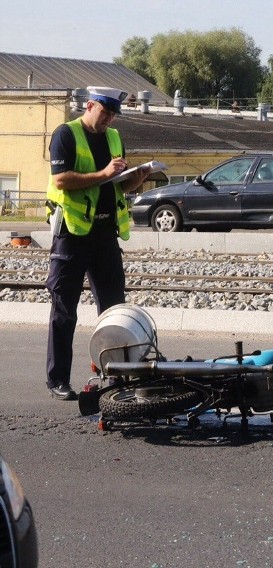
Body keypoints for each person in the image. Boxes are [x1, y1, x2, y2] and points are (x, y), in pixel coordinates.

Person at [44, 86, 149, 400]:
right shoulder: (66, 134)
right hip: (73, 235)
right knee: (64, 310)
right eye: (105, 113)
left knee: (114, 310)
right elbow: (61, 179)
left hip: (105, 234)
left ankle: (117, 380)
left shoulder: (114, 137)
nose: (109, 119)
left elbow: (119, 184)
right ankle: (58, 379)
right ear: (89, 106)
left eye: (113, 114)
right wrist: (103, 173)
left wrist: (138, 176)